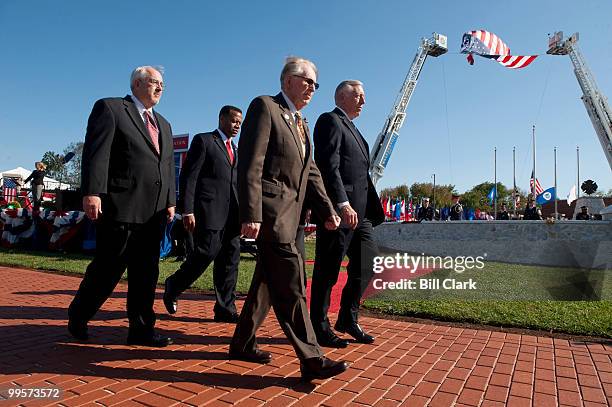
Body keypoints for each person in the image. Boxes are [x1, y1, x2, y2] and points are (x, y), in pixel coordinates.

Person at [229, 56, 348, 381]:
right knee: (293, 285)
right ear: (287, 81)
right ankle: (312, 358)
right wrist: (251, 213)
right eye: (307, 79)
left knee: (266, 285)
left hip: (293, 219)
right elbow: (250, 164)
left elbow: (310, 173)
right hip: (270, 215)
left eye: (315, 83)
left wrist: (327, 210)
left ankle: (241, 343)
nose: (312, 87)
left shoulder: (301, 123)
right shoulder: (265, 107)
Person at [68, 66, 176, 347]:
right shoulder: (112, 109)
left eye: (163, 84)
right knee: (108, 269)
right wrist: (92, 192)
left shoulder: (163, 124)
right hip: (120, 206)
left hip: (153, 212)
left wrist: (171, 201)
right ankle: (79, 314)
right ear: (138, 83)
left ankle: (141, 329)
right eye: (155, 82)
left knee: (146, 272)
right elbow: (97, 153)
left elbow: (166, 165)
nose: (160, 88)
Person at [310, 80, 385, 348]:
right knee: (328, 270)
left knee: (369, 262)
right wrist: (342, 203)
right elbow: (328, 167)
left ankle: (347, 319)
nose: (363, 101)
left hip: (361, 213)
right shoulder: (329, 121)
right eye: (358, 95)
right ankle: (319, 326)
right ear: (341, 96)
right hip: (339, 210)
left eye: (364, 96)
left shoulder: (355, 131)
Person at [163, 106, 242, 323]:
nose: (237, 126)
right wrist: (187, 210)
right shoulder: (204, 141)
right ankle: (174, 284)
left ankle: (226, 309)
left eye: (240, 123)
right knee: (205, 253)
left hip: (233, 217)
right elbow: (189, 177)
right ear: (222, 118)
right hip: (209, 212)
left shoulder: (237, 150)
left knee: (230, 261)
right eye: (234, 121)